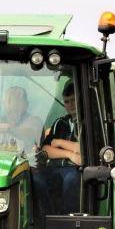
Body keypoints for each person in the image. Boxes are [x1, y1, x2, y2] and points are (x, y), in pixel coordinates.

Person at [33, 82, 81, 215]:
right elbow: (46, 150)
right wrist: (70, 154)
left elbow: (82, 150)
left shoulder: (87, 121)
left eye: (73, 100)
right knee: (36, 180)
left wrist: (58, 142)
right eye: (67, 101)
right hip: (54, 168)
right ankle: (49, 219)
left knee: (71, 180)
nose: (70, 104)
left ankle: (67, 222)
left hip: (75, 170)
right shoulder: (60, 123)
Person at [0, 86, 42, 154]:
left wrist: (11, 129)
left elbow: (31, 135)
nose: (10, 104)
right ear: (4, 104)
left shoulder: (34, 121)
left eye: (15, 100)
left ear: (26, 105)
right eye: (8, 101)